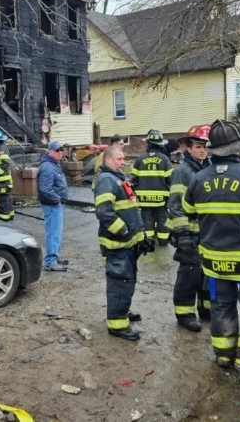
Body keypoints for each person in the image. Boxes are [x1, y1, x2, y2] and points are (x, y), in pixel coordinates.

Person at [182, 120, 240, 377]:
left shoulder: (198, 179)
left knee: (221, 305)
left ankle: (223, 354)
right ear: (239, 146)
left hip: (214, 260)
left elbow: (189, 212)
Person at [95, 145, 146, 340]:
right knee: (119, 282)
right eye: (119, 159)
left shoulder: (118, 178)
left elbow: (132, 209)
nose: (123, 162)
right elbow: (104, 213)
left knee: (127, 281)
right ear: (108, 160)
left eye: (123, 158)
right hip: (117, 244)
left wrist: (141, 237)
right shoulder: (107, 180)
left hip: (127, 244)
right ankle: (117, 324)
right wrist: (124, 232)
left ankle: (122, 311)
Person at [168, 124, 213, 332]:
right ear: (189, 148)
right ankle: (185, 313)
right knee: (189, 275)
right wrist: (183, 234)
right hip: (190, 234)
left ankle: (206, 309)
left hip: (207, 234)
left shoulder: (209, 168)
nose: (202, 150)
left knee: (206, 274)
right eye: (198, 146)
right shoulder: (183, 171)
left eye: (205, 146)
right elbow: (175, 206)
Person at [131, 129, 173, 246]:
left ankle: (149, 240)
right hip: (161, 198)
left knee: (146, 218)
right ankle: (163, 240)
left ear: (148, 143)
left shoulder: (140, 159)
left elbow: (134, 179)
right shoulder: (165, 159)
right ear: (160, 144)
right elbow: (170, 179)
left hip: (144, 198)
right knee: (162, 218)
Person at [38, 141, 69, 271]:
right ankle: (50, 261)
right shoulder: (47, 167)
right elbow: (45, 188)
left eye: (61, 149)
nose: (60, 152)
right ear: (50, 151)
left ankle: (54, 257)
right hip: (52, 205)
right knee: (53, 233)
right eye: (57, 150)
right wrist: (57, 200)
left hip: (55, 204)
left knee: (56, 232)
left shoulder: (53, 164)